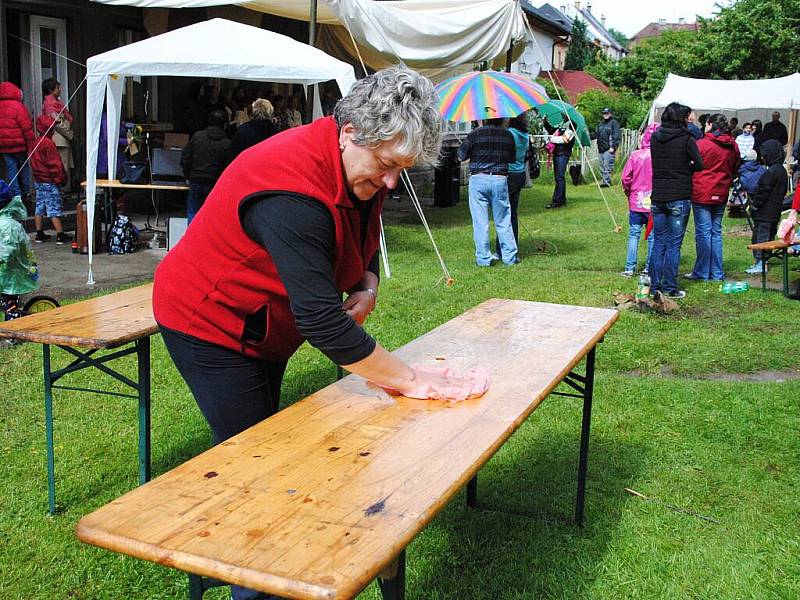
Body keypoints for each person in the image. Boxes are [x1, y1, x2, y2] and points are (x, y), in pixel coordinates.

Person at [153, 67, 488, 598]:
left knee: (266, 451)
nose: (391, 182)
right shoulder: (290, 188)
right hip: (209, 321)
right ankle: (254, 582)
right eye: (386, 165)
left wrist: (368, 279)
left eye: (401, 168)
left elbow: (364, 230)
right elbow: (322, 324)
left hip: (265, 324)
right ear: (350, 130)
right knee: (256, 467)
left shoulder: (362, 166)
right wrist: (411, 379)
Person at [649, 102, 704, 300]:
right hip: (678, 196)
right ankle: (670, 288)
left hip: (658, 196)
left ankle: (654, 286)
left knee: (659, 243)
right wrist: (685, 168)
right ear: (681, 119)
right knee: (673, 245)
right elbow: (699, 164)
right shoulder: (686, 138)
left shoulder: (655, 137)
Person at [458, 118, 519, 266]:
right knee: (504, 220)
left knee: (480, 222)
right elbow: (512, 159)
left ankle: (484, 258)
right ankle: (509, 257)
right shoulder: (508, 135)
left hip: (478, 179)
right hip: (500, 179)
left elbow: (460, 156)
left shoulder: (475, 134)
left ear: (484, 119)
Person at [686, 114, 739, 281]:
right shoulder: (733, 146)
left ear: (709, 124)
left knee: (703, 233)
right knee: (715, 232)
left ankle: (702, 271)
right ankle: (716, 272)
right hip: (721, 191)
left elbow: (690, 163)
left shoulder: (702, 144)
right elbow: (736, 164)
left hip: (702, 191)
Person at [620, 123, 659, 276]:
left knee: (634, 234)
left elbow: (625, 178)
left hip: (637, 200)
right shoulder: (660, 157)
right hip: (653, 202)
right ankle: (649, 268)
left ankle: (629, 268)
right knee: (652, 236)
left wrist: (629, 191)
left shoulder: (636, 155)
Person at [180, 109, 230, 224]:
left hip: (196, 179)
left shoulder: (198, 137)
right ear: (225, 125)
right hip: (215, 182)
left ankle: (192, 239)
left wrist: (187, 175)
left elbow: (186, 158)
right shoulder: (226, 143)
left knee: (193, 215)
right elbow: (228, 165)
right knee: (213, 216)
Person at [746, 139, 787, 274]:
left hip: (764, 213)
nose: (762, 157)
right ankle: (765, 260)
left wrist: (755, 205)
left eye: (764, 155)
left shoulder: (771, 172)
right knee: (769, 237)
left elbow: (763, 191)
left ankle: (760, 262)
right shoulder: (782, 171)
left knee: (760, 238)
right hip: (775, 212)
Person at [0, 181, 39, 322]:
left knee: (9, 304)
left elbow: (7, 251)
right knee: (6, 302)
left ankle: (15, 333)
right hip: (5, 272)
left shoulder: (8, 225)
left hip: (12, 273)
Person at [29, 114, 71, 245]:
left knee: (39, 207)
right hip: (49, 180)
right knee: (54, 208)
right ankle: (60, 234)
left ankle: (39, 233)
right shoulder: (48, 144)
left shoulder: (35, 143)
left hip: (38, 180)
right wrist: (60, 178)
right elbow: (55, 165)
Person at [496, 113, 529, 254]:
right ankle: (513, 243)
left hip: (509, 174)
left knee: (502, 213)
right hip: (520, 173)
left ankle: (501, 248)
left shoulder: (509, 134)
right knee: (513, 213)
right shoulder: (525, 135)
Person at [0, 81, 34, 201]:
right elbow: (27, 127)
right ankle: (26, 192)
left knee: (11, 169)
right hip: (19, 145)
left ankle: (16, 194)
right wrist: (31, 142)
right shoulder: (18, 106)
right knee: (24, 167)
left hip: (4, 145)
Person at [41, 78, 74, 192]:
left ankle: (62, 189)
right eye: (57, 88)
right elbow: (57, 123)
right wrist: (69, 133)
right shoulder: (51, 104)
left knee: (62, 164)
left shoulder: (51, 103)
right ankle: (62, 189)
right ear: (51, 90)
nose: (60, 90)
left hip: (58, 138)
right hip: (59, 139)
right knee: (62, 165)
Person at [543, 113, 575, 209]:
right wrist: (545, 122)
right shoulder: (562, 124)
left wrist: (551, 139)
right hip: (558, 154)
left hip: (563, 154)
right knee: (559, 177)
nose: (562, 114)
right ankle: (562, 199)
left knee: (559, 177)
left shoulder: (571, 125)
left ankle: (557, 201)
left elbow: (565, 139)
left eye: (563, 113)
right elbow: (552, 130)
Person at [595, 108, 621, 187]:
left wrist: (613, 147)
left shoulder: (614, 123)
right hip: (601, 149)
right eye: (604, 113)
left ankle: (606, 182)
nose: (606, 114)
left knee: (608, 166)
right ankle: (604, 181)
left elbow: (616, 136)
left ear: (610, 114)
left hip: (609, 149)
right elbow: (596, 134)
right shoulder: (601, 124)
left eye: (607, 113)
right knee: (602, 167)